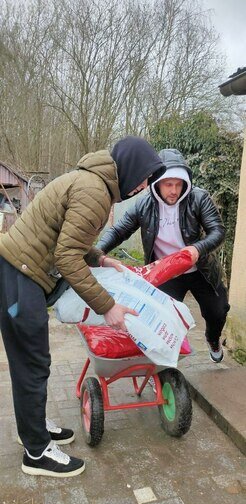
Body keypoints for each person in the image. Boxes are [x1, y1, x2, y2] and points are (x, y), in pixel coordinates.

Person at [0, 136, 165, 478]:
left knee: (31, 362)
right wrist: (109, 307)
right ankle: (36, 453)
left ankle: (32, 429)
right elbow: (66, 256)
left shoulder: (93, 182)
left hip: (19, 271)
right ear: (131, 168)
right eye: (145, 177)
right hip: (20, 275)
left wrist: (102, 258)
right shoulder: (95, 191)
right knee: (32, 362)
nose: (144, 186)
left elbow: (69, 240)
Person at [97, 148, 230, 365]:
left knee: (218, 311)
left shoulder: (199, 198)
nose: (174, 190)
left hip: (200, 270)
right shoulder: (144, 204)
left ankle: (212, 339)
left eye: (179, 184)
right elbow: (119, 231)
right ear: (157, 183)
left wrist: (198, 248)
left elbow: (218, 231)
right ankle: (157, 366)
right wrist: (98, 253)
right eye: (169, 184)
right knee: (158, 322)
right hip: (166, 273)